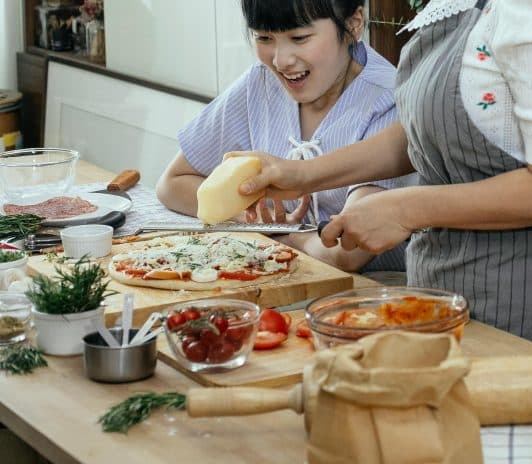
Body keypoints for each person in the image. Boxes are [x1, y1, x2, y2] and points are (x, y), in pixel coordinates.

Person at [231, 0, 532, 350]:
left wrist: (405, 208)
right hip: (440, 288)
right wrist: (300, 174)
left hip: (527, 298)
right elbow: (427, 132)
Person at [156, 0, 408, 273]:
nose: (280, 61)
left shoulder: (390, 100)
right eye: (264, 37)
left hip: (372, 298)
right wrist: (249, 219)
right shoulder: (260, 82)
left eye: (299, 38)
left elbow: (346, 254)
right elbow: (172, 183)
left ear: (354, 23)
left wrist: (284, 235)